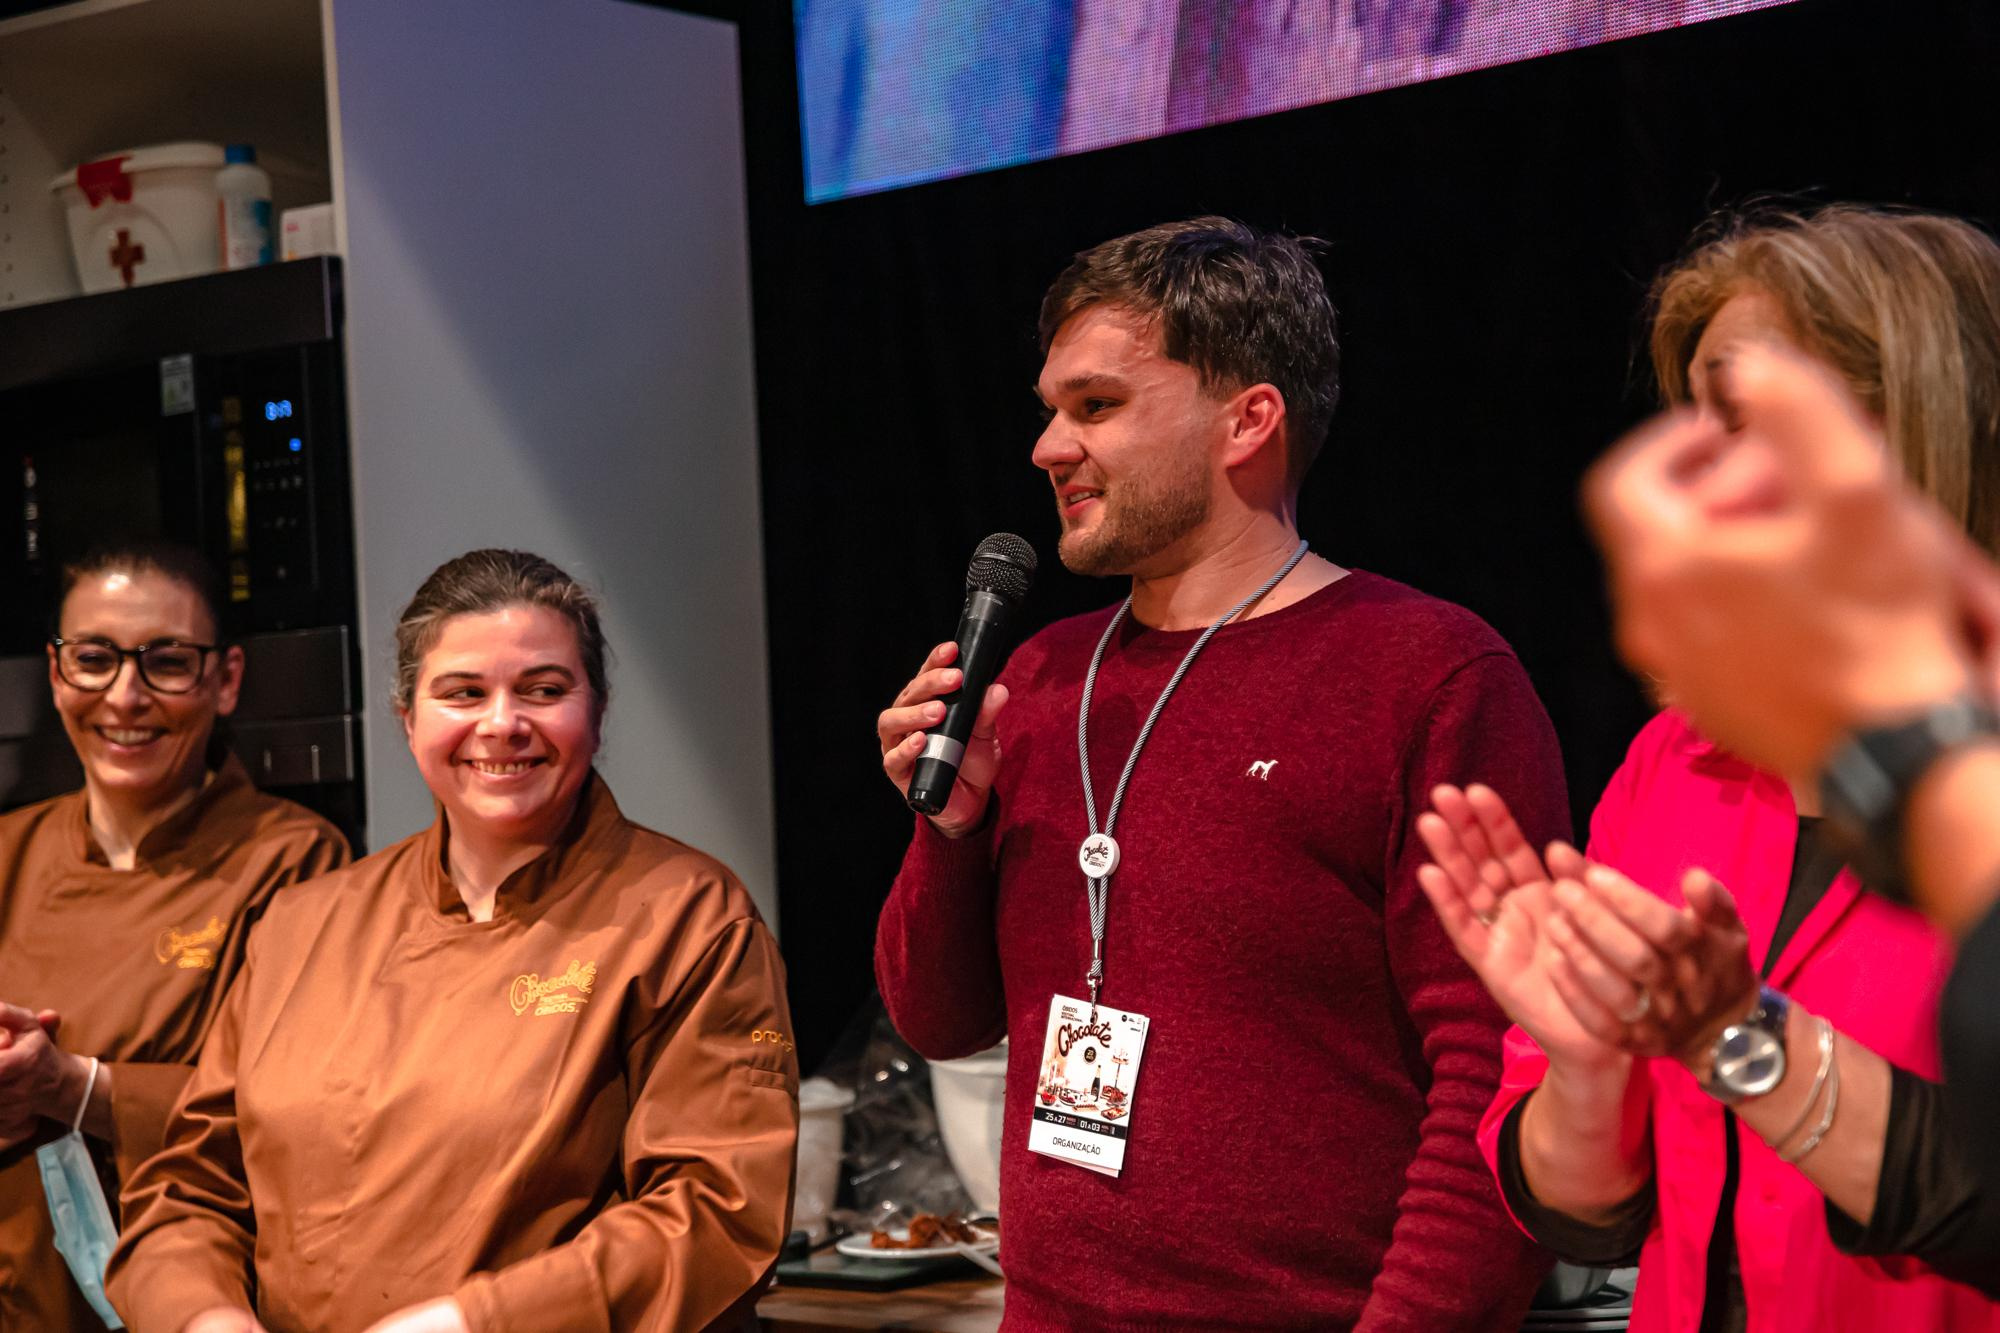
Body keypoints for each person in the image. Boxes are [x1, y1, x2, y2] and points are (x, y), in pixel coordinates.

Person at [873, 217, 1568, 1329]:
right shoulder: (1039, 676)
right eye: (1050, 409)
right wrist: (945, 833)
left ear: (1247, 420)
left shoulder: (1426, 674)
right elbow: (939, 1021)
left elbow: (1494, 1073)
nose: (1047, 448)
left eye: (1095, 406)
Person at [1419, 205, 2000, 1330]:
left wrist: (1731, 1039)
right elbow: (1586, 1216)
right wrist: (1586, 1067)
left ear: (1929, 419)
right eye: (1690, 429)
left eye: (1741, 421)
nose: (1685, 490)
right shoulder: (1677, 757)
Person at [106, 549, 799, 1333]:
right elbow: (188, 1191)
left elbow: (714, 1211)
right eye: (463, 692)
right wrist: (203, 1316)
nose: (502, 723)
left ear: (597, 713)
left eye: (543, 688)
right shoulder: (301, 924)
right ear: (408, 721)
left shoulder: (690, 917)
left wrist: (473, 1323)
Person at [0, 542, 350, 1331]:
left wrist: (75, 1086)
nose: (125, 696)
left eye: (166, 662)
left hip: (195, 1299)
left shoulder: (295, 859)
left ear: (225, 679)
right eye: (94, 659)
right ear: (57, 676)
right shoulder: (8, 852)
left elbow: (293, 1109)